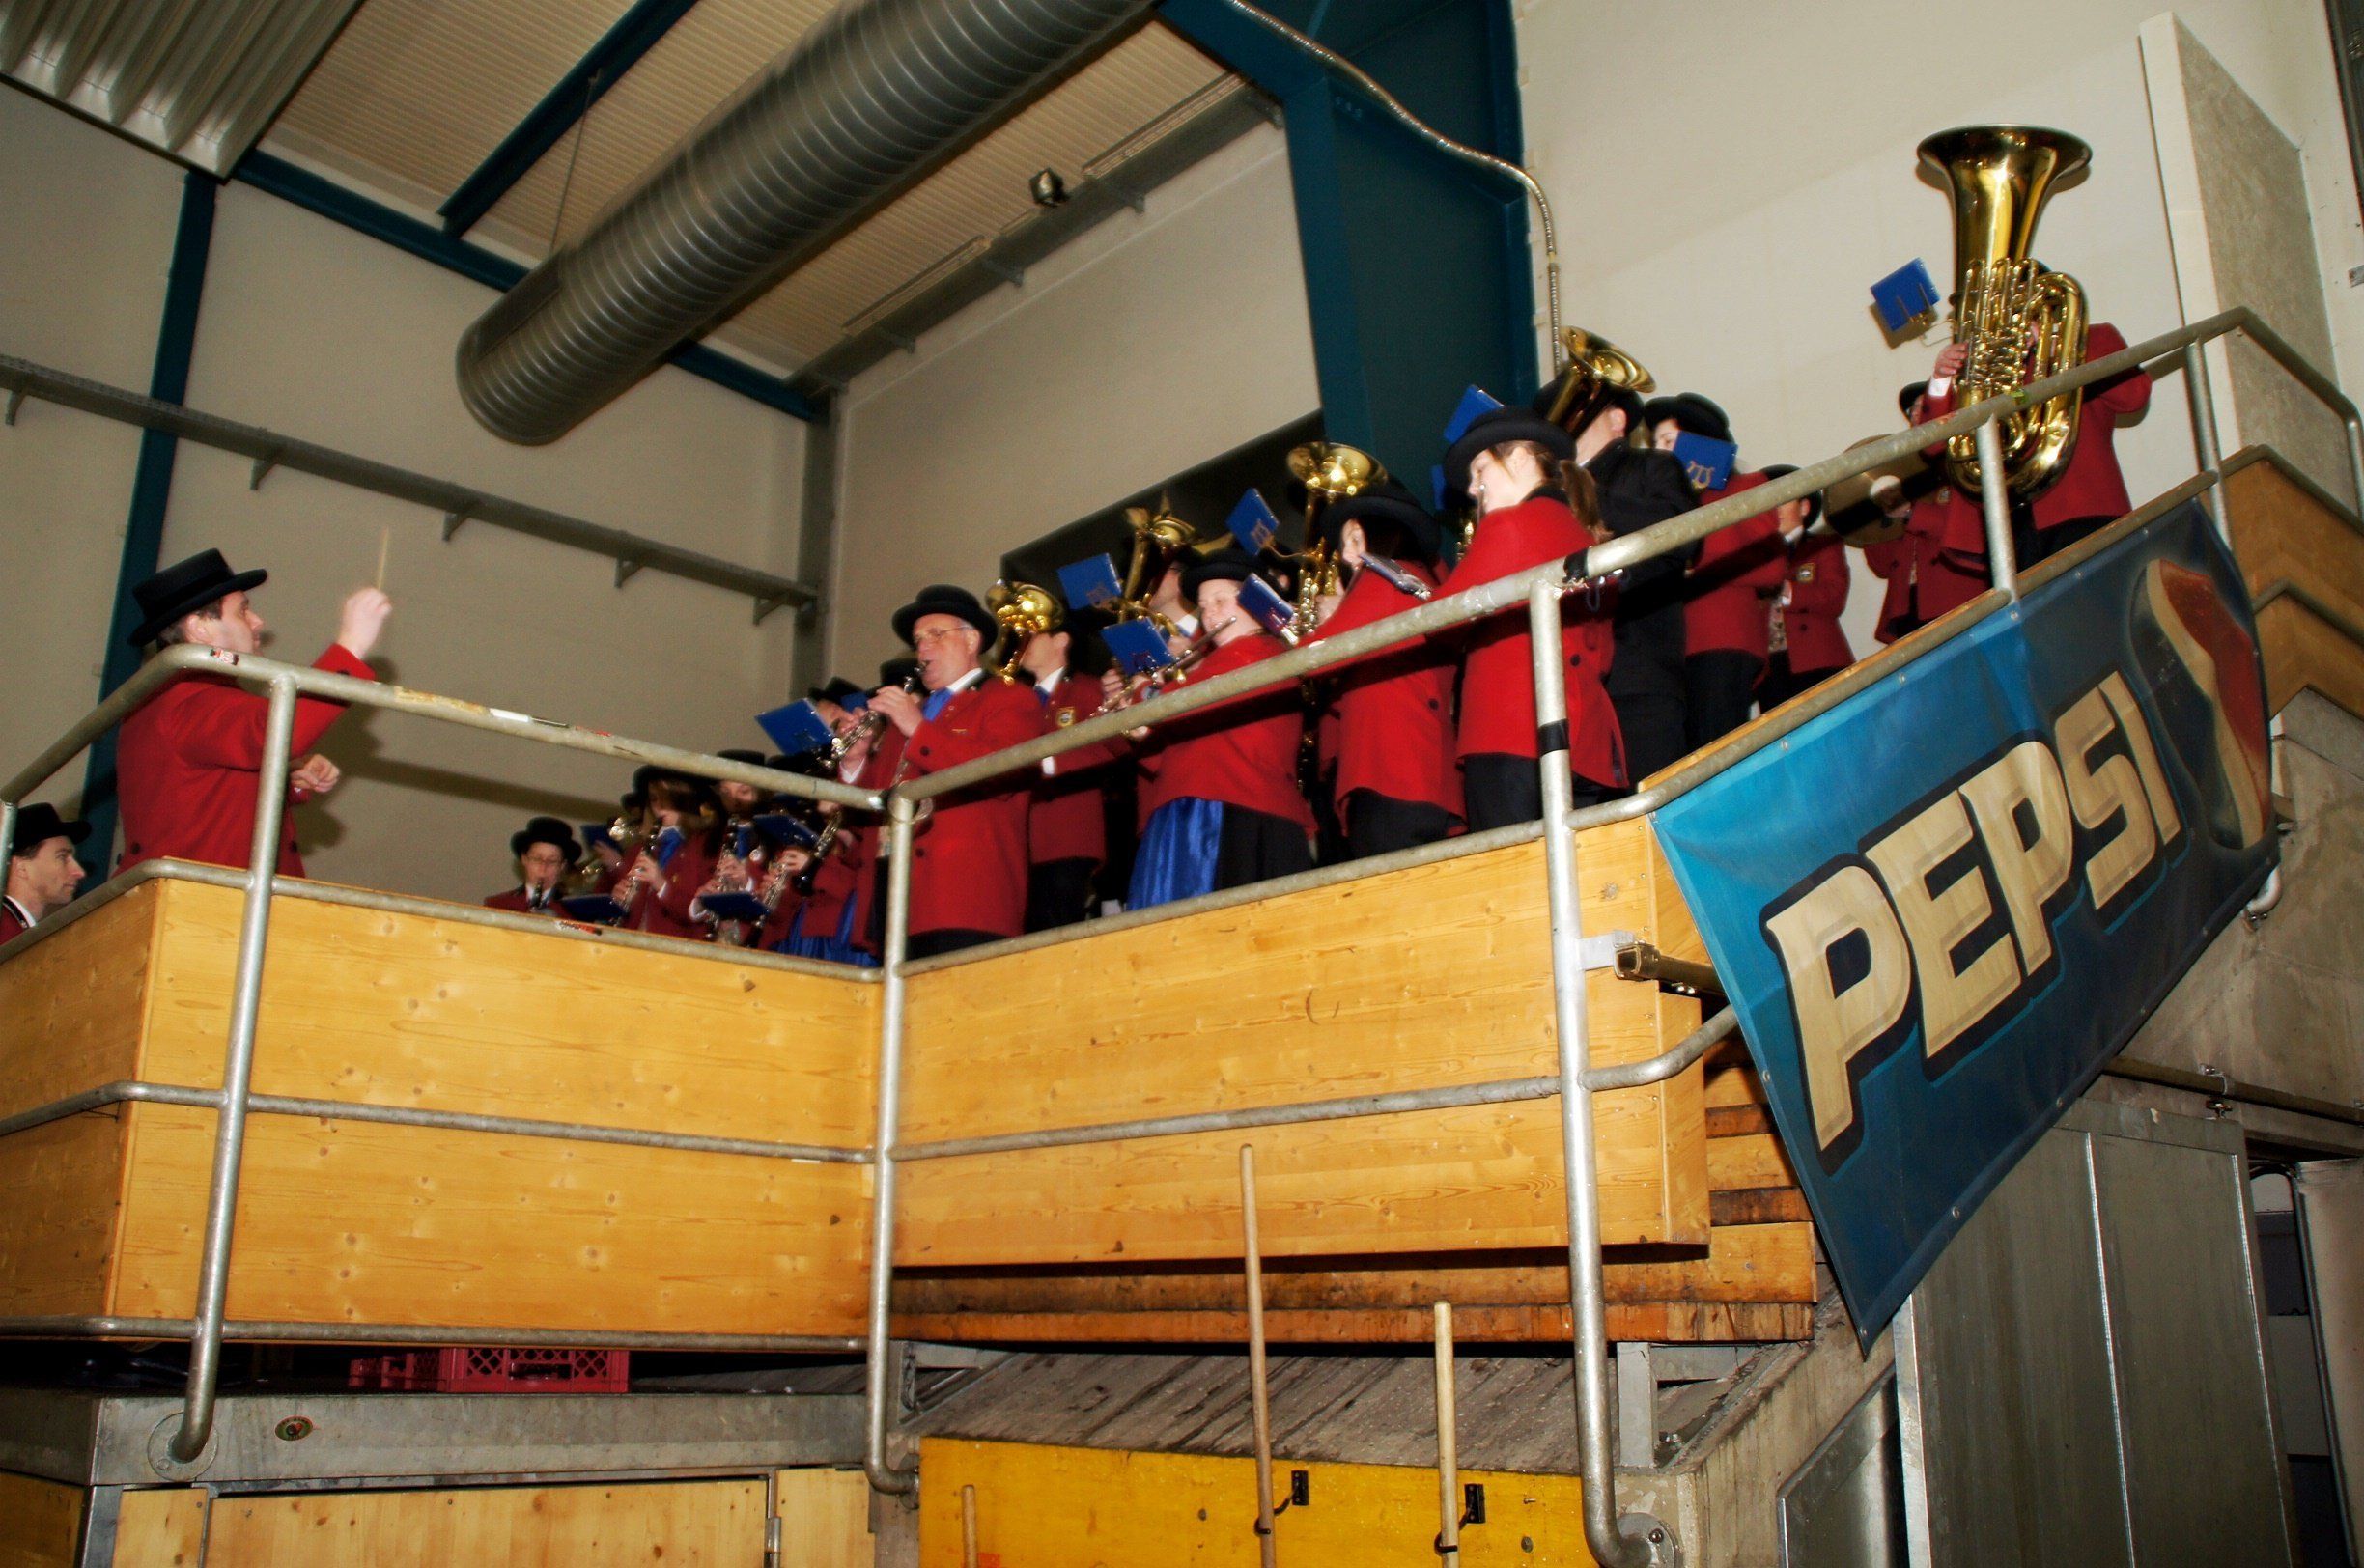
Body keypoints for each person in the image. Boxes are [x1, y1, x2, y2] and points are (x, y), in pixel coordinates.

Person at [117, 549, 388, 876]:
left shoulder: (167, 698)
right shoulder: (191, 701)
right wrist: (351, 646)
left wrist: (285, 776)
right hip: (211, 901)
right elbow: (275, 732)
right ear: (200, 628)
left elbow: (200, 795)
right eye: (243, 611)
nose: (258, 621)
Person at [1437, 406, 1624, 826]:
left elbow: (1437, 621)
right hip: (1586, 743)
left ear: (1520, 458)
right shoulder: (1581, 534)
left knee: (1515, 867)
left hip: (1511, 737)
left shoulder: (1511, 525)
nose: (1473, 488)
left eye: (1480, 470)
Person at [862, 585, 1053, 958]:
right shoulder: (910, 714)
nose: (923, 649)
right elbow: (874, 795)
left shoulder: (1008, 698)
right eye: (918, 640)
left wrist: (917, 729)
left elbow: (1000, 770)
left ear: (971, 640)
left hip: (967, 899)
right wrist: (854, 761)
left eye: (936, 635)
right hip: (898, 898)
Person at [1114, 550, 1313, 907]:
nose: (1210, 614)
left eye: (1221, 600)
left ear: (1254, 602)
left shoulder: (1259, 649)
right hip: (1192, 805)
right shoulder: (1210, 666)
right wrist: (1142, 730)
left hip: (1229, 808)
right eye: (1204, 606)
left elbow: (1185, 705)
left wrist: (1146, 692)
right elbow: (1167, 758)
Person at [1548, 377, 1700, 782]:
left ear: (1617, 420)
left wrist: (1586, 494)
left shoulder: (1653, 466)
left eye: (1580, 414)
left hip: (1640, 675)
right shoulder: (1551, 496)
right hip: (1574, 685)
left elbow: (1685, 535)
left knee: (1650, 799)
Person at [1921, 305, 2153, 565]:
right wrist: (1941, 379)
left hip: (2082, 508)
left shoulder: (2094, 338)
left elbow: (2135, 396)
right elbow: (1934, 446)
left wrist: (2058, 347)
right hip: (2010, 525)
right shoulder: (1986, 367)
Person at [1305, 481, 1462, 856]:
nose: (1346, 556)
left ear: (1379, 532)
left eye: (1354, 539)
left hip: (1391, 775)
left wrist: (1329, 621)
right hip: (1423, 778)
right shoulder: (1417, 579)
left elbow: (1314, 658)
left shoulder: (1382, 579)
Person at [1864, 382, 1988, 642]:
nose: (1918, 416)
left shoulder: (1965, 465)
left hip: (1955, 599)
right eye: (1913, 411)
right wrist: (1876, 519)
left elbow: (1966, 530)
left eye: (1926, 407)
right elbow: (1882, 566)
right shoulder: (1899, 478)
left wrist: (1911, 512)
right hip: (1908, 609)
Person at [1017, 613, 1114, 932]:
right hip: (1020, 841)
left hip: (1067, 837)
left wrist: (1047, 763)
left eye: (1032, 635)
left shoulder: (1086, 689)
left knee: (1058, 927)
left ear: (1060, 640)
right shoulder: (1016, 700)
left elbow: (1110, 747)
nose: (1021, 643)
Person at [1755, 467, 1852, 709]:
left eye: (1783, 501)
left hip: (1817, 660)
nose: (1774, 510)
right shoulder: (1753, 557)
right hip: (1769, 668)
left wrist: (1788, 590)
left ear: (1804, 507)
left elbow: (1834, 597)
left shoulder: (1823, 545)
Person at [608, 770, 719, 941]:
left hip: (677, 947)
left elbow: (701, 911)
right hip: (632, 944)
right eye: (654, 799)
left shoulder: (705, 848)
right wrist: (620, 901)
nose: (659, 806)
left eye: (667, 798)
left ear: (686, 799)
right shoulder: (639, 849)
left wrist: (661, 884)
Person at [3, 803, 91, 942]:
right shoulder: (6, 932)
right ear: (21, 868)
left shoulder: (16, 929)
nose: (79, 872)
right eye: (62, 857)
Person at [485, 817, 577, 916]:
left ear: (562, 865)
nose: (543, 868)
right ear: (524, 859)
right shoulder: (496, 905)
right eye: (537, 859)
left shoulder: (573, 913)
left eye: (552, 861)